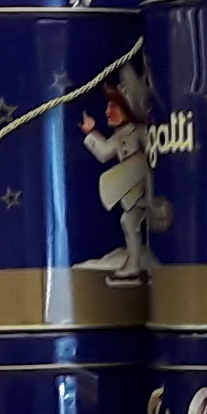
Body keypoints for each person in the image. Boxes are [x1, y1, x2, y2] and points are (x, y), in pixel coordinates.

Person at [80, 62, 155, 284]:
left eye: (111, 107)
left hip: (140, 183)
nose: (107, 112)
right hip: (130, 187)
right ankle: (136, 265)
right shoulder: (119, 135)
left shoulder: (138, 132)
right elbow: (104, 153)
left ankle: (138, 265)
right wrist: (91, 131)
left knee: (132, 222)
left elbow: (153, 158)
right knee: (128, 222)